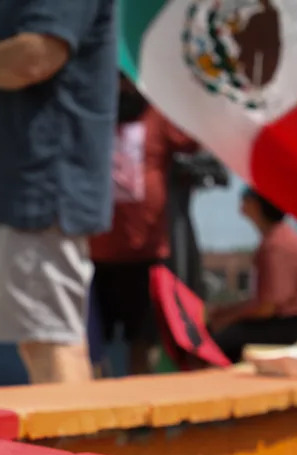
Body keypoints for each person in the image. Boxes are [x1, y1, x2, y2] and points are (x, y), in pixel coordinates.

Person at [0, 2, 117, 384]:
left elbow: (33, 58)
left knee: (51, 339)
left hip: (39, 189)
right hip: (19, 190)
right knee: (39, 339)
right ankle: (71, 441)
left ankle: (75, 444)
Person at [89, 74, 199, 375]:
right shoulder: (94, 116)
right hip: (96, 255)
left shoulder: (158, 116)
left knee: (143, 344)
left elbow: (196, 139)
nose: (124, 86)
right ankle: (98, 414)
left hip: (146, 256)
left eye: (130, 79)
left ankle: (140, 418)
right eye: (118, 79)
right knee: (91, 347)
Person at [207, 188, 297, 363]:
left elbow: (266, 308)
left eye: (247, 195)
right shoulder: (277, 238)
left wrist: (224, 317)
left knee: (215, 345)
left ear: (256, 204)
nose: (241, 198)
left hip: (283, 325)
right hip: (280, 321)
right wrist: (222, 312)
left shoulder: (277, 245)